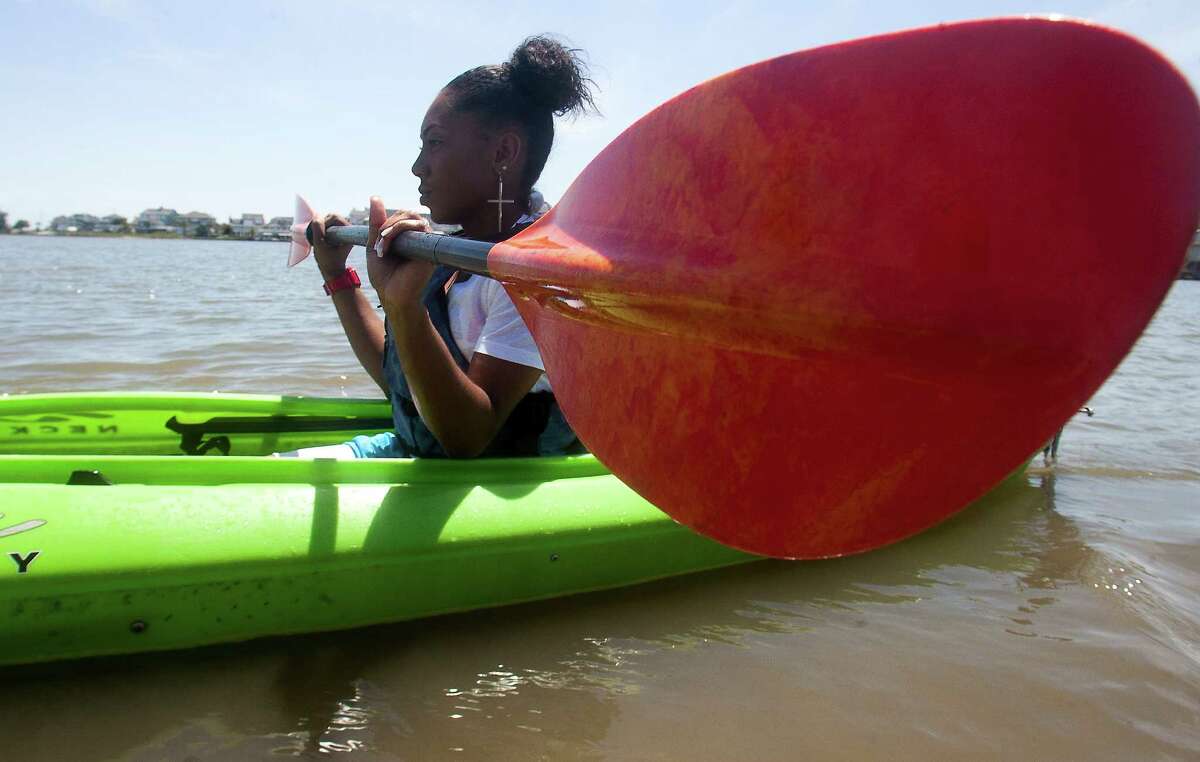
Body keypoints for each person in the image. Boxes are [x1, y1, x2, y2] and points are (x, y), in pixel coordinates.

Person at [304, 36, 595, 459]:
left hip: (478, 480)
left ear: (503, 152)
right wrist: (339, 277)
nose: (417, 166)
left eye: (434, 142)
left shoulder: (538, 276)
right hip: (410, 451)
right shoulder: (448, 252)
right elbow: (400, 382)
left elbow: (468, 436)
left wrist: (405, 308)